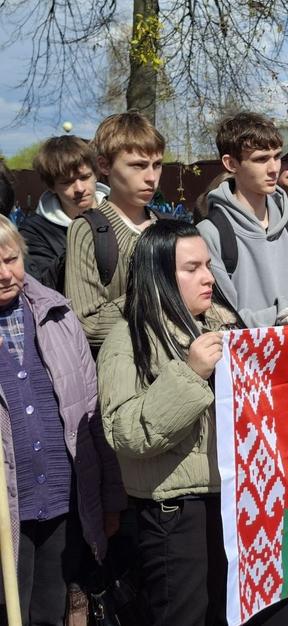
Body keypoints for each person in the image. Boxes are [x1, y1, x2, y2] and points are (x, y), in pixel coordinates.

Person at [97, 220, 288, 625]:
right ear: (159, 276)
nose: (208, 277)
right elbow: (126, 433)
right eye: (192, 269)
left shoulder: (224, 327)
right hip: (177, 515)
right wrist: (190, 375)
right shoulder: (127, 338)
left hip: (240, 502)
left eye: (208, 265)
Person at [0, 214, 125, 624]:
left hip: (60, 501)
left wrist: (107, 499)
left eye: (12, 259)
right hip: (6, 513)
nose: (5, 274)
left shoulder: (58, 314)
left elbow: (91, 410)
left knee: (51, 610)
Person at [196, 111, 288, 328]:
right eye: (261, 159)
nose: (274, 168)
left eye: (277, 156)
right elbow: (220, 322)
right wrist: (281, 313)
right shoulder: (210, 234)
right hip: (241, 359)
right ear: (231, 164)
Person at [64, 111, 166, 350]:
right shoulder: (87, 230)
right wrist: (157, 301)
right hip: (123, 375)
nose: (151, 177)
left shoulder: (166, 227)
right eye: (138, 166)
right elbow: (86, 324)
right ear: (104, 165)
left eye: (157, 165)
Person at [21, 136, 109, 292]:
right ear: (51, 186)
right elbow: (41, 288)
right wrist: (79, 245)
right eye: (67, 182)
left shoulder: (122, 212)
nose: (80, 188)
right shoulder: (34, 232)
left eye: (85, 177)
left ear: (96, 173)